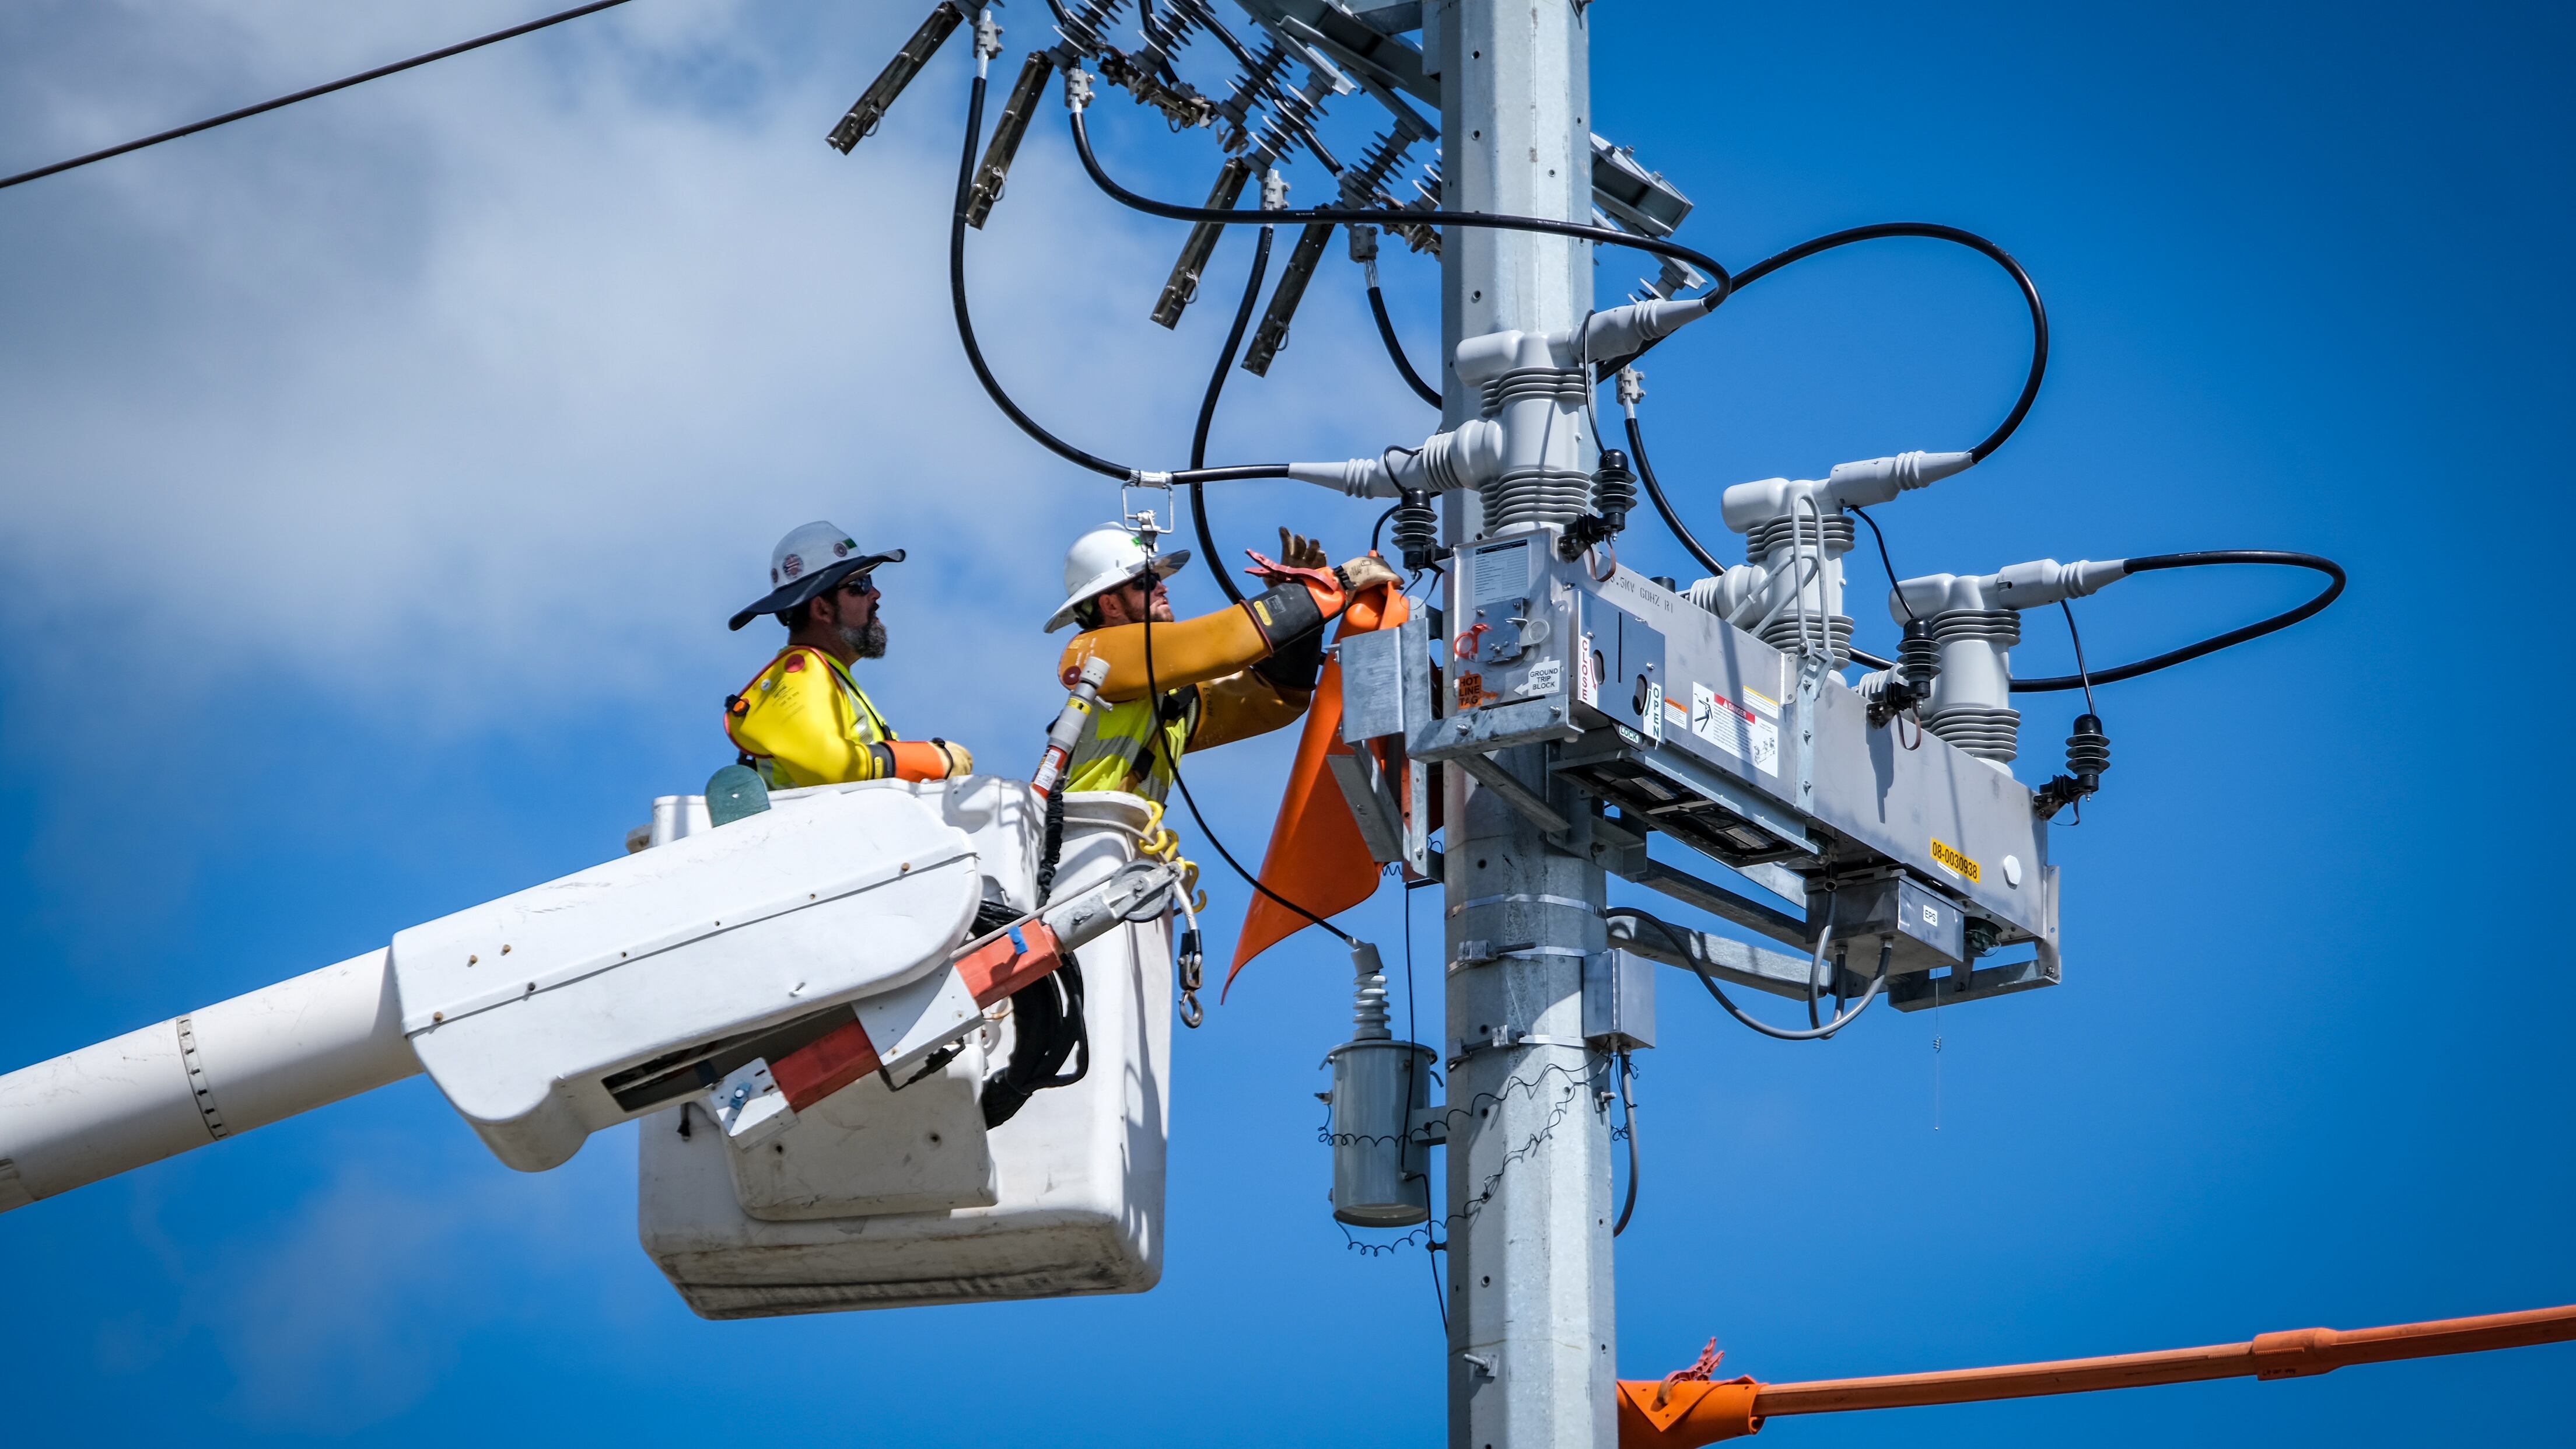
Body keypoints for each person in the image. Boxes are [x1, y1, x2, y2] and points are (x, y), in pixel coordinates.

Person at [1048, 523, 1400, 802]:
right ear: (1110, 605)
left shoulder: (1164, 695)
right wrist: (1331, 584)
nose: (1163, 588)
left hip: (1118, 846)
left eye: (1159, 579)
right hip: (1082, 841)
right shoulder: (1100, 655)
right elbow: (1227, 641)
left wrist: (1303, 616)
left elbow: (1275, 698)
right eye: (1146, 582)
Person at [722, 520, 973, 788]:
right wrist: (936, 760)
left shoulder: (828, 678)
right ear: (822, 609)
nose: (875, 594)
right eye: (860, 584)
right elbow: (833, 767)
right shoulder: (799, 674)